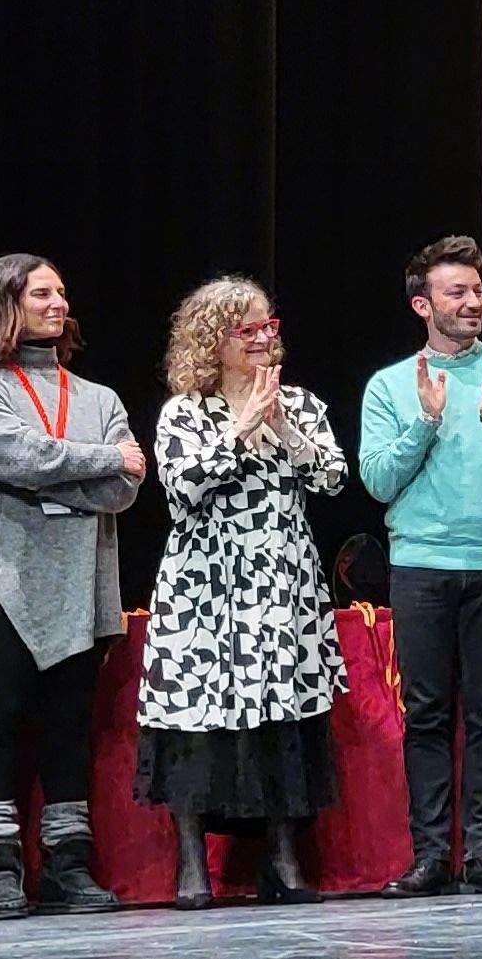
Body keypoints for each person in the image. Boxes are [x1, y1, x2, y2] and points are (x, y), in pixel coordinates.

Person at [137, 277, 347, 907]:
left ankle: (282, 858)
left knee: (283, 709)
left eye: (269, 327)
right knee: (197, 714)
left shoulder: (300, 403)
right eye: (247, 330)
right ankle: (192, 863)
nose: (263, 339)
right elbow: (182, 489)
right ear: (214, 341)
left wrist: (282, 427)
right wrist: (239, 430)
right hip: (207, 581)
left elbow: (333, 479)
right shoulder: (185, 411)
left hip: (283, 578)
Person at [0, 253, 146, 919]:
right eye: (41, 293)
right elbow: (18, 456)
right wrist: (96, 461)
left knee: (69, 725)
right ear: (6, 304)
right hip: (5, 576)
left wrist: (81, 469)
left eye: (61, 292)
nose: (58, 303)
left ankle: (68, 862)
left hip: (83, 579)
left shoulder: (100, 398)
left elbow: (126, 485)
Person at [357, 235, 482, 897]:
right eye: (456, 293)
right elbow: (379, 481)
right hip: (420, 564)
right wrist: (424, 421)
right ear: (423, 304)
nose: (472, 302)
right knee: (430, 713)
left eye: (477, 291)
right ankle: (431, 856)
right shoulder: (390, 385)